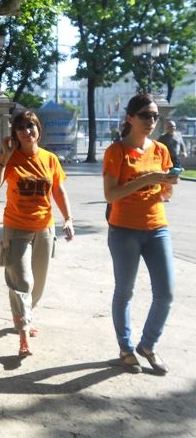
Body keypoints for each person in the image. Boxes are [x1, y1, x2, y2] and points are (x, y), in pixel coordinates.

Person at [0, 110, 74, 357]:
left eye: (31, 126)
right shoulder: (11, 158)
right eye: (22, 127)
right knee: (22, 279)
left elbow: (58, 190)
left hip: (44, 228)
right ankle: (24, 330)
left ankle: (24, 314)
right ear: (14, 134)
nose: (27, 131)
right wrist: (4, 157)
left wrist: (68, 218)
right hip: (16, 227)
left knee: (39, 282)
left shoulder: (49, 159)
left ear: (38, 130)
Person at [103, 94, 178, 375]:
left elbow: (165, 194)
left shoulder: (160, 150)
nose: (151, 121)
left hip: (157, 228)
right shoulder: (116, 152)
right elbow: (110, 194)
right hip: (124, 230)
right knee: (124, 292)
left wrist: (168, 184)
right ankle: (125, 349)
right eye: (145, 115)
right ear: (130, 118)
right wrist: (146, 180)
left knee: (166, 293)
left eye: (155, 116)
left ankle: (147, 345)